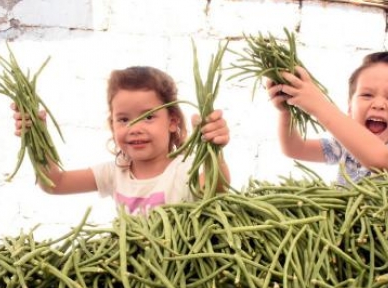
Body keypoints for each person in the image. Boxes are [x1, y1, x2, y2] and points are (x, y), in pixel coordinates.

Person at [13, 66, 231, 214]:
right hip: (129, 277)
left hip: (181, 277)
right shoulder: (116, 171)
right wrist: (35, 136)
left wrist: (214, 150)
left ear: (172, 121)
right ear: (112, 124)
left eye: (148, 117)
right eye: (124, 119)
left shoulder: (185, 170)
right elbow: (55, 184)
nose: (135, 129)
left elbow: (217, 190)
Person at [266, 51, 388, 186]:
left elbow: (380, 159)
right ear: (350, 107)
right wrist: (286, 111)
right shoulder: (343, 146)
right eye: (367, 95)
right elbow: (295, 149)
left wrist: (320, 105)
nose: (379, 104)